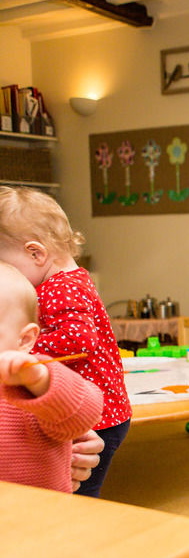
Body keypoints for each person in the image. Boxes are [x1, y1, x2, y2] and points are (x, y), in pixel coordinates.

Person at [0, 186, 131, 497]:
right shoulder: (68, 281)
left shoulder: (59, 288)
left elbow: (80, 339)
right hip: (85, 409)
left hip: (97, 413)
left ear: (36, 253)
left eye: (7, 266)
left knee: (79, 494)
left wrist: (25, 356)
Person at [0, 263, 104, 492]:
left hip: (40, 518)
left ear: (25, 340)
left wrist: (42, 380)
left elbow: (88, 409)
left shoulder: (32, 388)